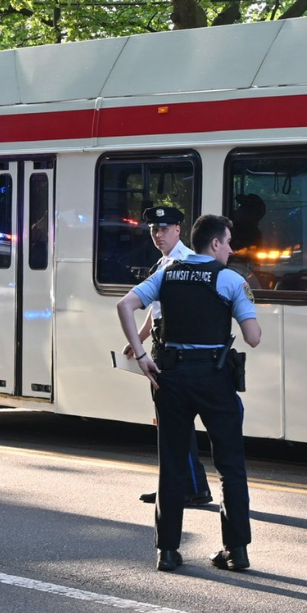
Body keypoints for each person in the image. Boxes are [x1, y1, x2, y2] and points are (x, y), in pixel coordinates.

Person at [117, 214, 261, 573]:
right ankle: (236, 551)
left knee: (172, 465)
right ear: (214, 243)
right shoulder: (229, 279)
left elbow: (125, 305)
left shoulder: (168, 272)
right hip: (214, 378)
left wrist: (143, 353)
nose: (231, 249)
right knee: (230, 466)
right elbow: (253, 337)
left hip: (172, 377)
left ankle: (167, 551)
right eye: (228, 242)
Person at [127, 205, 213, 509]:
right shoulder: (164, 263)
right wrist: (139, 338)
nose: (157, 234)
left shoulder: (185, 262)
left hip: (174, 352)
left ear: (178, 229)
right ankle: (175, 486)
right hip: (163, 347)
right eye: (153, 230)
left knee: (175, 423)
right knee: (168, 424)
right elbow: (156, 308)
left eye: (163, 229)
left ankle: (192, 488)